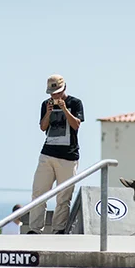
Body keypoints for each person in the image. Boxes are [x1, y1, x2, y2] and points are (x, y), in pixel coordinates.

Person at [27, 75, 84, 234]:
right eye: (52, 93)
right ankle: (35, 229)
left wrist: (65, 109)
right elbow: (43, 127)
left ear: (64, 88)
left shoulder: (75, 103)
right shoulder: (45, 104)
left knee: (63, 196)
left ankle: (58, 229)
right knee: (39, 192)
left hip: (68, 156)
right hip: (48, 153)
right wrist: (48, 113)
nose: (55, 96)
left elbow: (76, 125)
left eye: (57, 92)